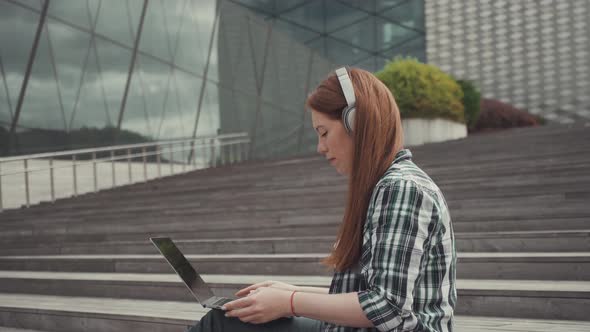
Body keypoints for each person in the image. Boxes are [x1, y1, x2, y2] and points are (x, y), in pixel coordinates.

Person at [187, 67, 456, 332]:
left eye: (324, 132)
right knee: (234, 319)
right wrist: (290, 292)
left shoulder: (401, 188)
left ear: (357, 122)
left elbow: (387, 307)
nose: (320, 147)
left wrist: (289, 302)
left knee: (221, 324)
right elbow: (370, 292)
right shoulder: (386, 186)